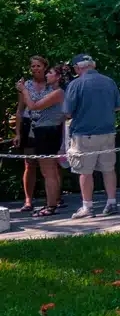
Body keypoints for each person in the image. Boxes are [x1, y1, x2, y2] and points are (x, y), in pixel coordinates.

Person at [60, 54, 120, 219]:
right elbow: (118, 107)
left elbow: (67, 112)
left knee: (85, 172)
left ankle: (87, 207)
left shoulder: (76, 84)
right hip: (108, 132)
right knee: (109, 169)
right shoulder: (109, 81)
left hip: (84, 134)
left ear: (78, 68)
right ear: (92, 65)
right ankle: (112, 202)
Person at [14, 57, 64, 215]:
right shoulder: (27, 85)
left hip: (47, 129)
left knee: (49, 168)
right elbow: (21, 109)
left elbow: (34, 105)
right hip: (32, 127)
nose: (35, 69)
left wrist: (24, 90)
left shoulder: (54, 89)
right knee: (32, 164)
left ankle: (52, 203)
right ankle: (32, 201)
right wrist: (17, 132)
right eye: (32, 66)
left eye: (39, 66)